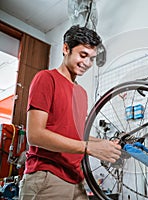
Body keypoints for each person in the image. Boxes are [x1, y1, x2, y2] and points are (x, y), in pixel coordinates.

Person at [19, 25, 122, 200]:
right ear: (66, 48)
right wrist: (89, 148)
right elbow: (35, 135)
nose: (87, 64)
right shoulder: (46, 78)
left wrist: (105, 144)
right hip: (47, 178)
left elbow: (77, 135)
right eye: (83, 55)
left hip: (77, 180)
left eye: (92, 58)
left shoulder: (81, 93)